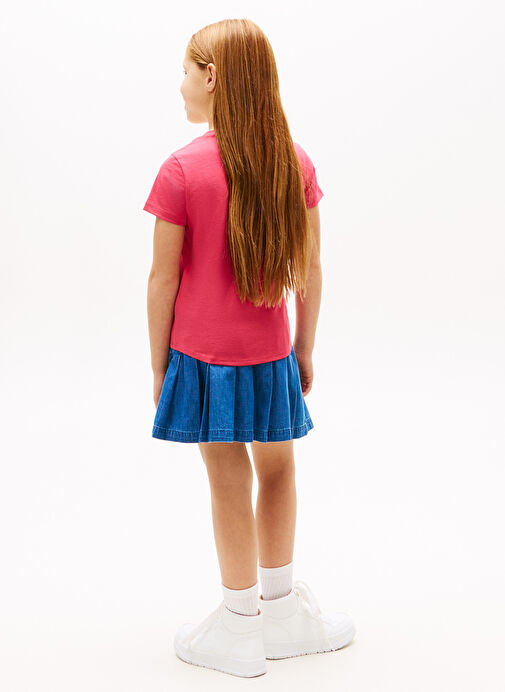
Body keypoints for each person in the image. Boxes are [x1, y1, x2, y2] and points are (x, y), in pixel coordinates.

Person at [143, 18, 355, 678]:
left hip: (202, 358)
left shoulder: (182, 169)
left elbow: (162, 279)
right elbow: (311, 267)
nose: (180, 84)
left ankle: (239, 625)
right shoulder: (294, 160)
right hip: (270, 354)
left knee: (226, 477)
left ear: (211, 77)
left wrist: (159, 366)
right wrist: (303, 347)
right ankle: (281, 611)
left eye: (185, 71)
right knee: (279, 470)